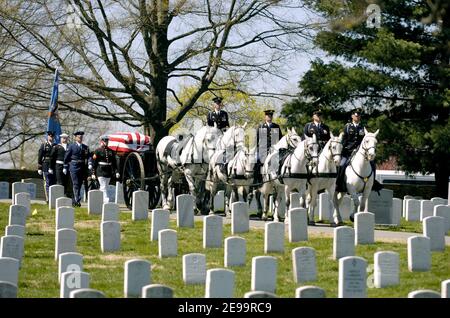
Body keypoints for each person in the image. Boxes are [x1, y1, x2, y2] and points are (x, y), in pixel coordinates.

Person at [336, 108, 382, 192]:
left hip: (361, 152)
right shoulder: (347, 126)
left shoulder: (363, 127)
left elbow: (367, 140)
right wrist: (343, 150)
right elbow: (344, 140)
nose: (357, 117)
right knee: (342, 164)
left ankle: (373, 183)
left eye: (358, 116)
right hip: (348, 151)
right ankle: (338, 184)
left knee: (372, 164)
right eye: (355, 115)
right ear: (352, 116)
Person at [89, 135, 119, 203]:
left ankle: (99, 200)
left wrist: (116, 171)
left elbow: (114, 163)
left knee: (105, 186)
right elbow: (94, 163)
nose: (106, 142)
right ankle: (106, 200)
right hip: (100, 171)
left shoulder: (111, 151)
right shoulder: (97, 151)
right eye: (105, 141)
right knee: (103, 186)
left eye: (107, 141)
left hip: (108, 171)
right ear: (101, 141)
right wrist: (93, 173)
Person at [64, 131, 90, 207]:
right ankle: (77, 200)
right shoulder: (71, 146)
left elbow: (89, 156)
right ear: (75, 138)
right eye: (79, 137)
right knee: (75, 184)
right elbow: (66, 157)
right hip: (74, 166)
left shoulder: (85, 147)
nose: (80, 138)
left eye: (81, 137)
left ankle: (75, 200)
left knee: (79, 184)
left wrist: (90, 163)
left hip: (82, 167)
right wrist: (65, 166)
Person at [38, 131, 56, 201]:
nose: (51, 137)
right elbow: (40, 156)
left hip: (53, 166)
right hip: (45, 165)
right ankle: (48, 198)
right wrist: (39, 167)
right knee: (47, 182)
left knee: (52, 182)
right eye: (50, 136)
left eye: (52, 136)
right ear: (48, 136)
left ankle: (53, 198)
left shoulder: (55, 145)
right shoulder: (44, 145)